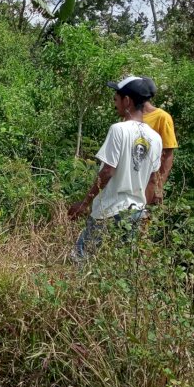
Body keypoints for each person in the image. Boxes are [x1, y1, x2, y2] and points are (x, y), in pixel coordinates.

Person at [68, 76, 163, 261]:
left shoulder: (119, 129)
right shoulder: (156, 138)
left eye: (116, 99)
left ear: (127, 101)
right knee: (118, 267)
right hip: (136, 214)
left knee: (79, 261)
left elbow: (107, 171)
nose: (115, 103)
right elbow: (153, 180)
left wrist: (84, 203)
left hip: (110, 211)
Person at [140, 76, 178, 204]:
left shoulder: (162, 117)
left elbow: (168, 154)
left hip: (150, 179)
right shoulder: (130, 115)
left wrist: (158, 186)